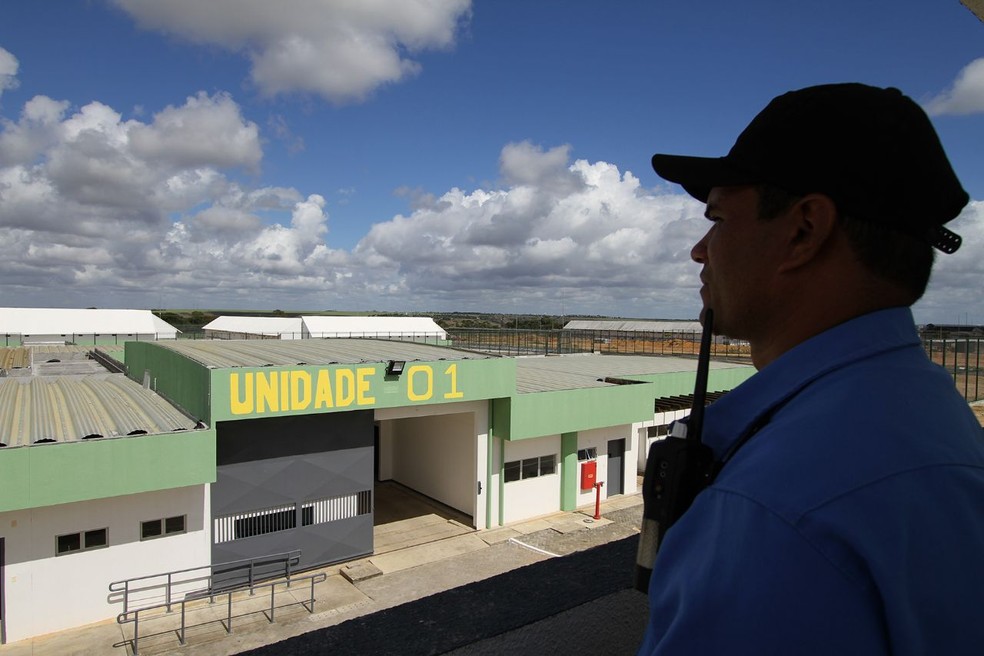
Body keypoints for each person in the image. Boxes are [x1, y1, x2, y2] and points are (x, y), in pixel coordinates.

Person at [638, 83, 984, 655]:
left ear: (803, 230)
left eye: (717, 218)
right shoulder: (931, 416)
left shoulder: (772, 511)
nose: (700, 249)